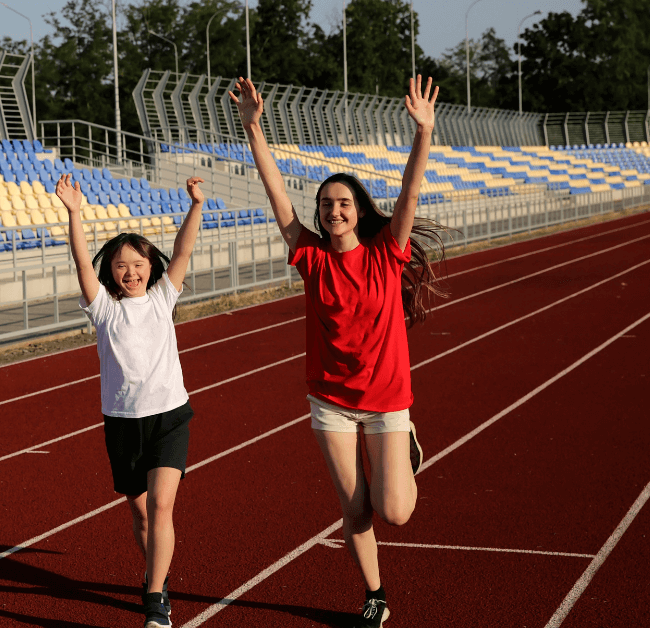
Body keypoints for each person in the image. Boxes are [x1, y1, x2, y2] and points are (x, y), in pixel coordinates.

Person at [231, 75, 449, 628]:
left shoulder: (386, 253)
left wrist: (423, 133)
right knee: (354, 509)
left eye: (344, 203)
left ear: (358, 210)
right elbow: (276, 191)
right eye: (326, 203)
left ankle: (406, 446)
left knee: (394, 511)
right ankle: (375, 594)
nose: (334, 210)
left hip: (385, 398)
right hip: (330, 400)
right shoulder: (310, 257)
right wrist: (254, 128)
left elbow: (410, 193)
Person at [56, 172, 206, 628]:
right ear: (112, 273)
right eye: (121, 265)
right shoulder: (104, 308)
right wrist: (75, 214)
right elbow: (83, 266)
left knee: (162, 506)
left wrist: (196, 205)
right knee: (141, 517)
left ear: (150, 266)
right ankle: (153, 572)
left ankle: (156, 599)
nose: (131, 271)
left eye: (138, 263)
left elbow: (181, 251)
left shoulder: (163, 298)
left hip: (169, 417)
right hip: (122, 423)